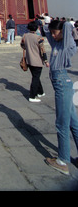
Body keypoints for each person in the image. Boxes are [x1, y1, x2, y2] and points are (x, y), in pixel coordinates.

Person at [43, 20, 78, 176]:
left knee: (61, 123)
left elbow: (68, 28)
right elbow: (45, 30)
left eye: (55, 32)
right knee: (73, 123)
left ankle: (63, 160)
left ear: (63, 33)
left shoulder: (66, 47)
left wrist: (65, 24)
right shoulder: (56, 44)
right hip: (61, 84)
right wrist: (47, 22)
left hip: (62, 83)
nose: (52, 34)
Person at [20, 21, 49, 102]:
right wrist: (46, 61)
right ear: (36, 28)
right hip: (37, 61)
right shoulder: (38, 38)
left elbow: (22, 46)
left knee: (35, 76)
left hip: (29, 60)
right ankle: (32, 96)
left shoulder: (25, 36)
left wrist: (29, 48)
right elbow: (42, 50)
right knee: (35, 78)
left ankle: (41, 92)